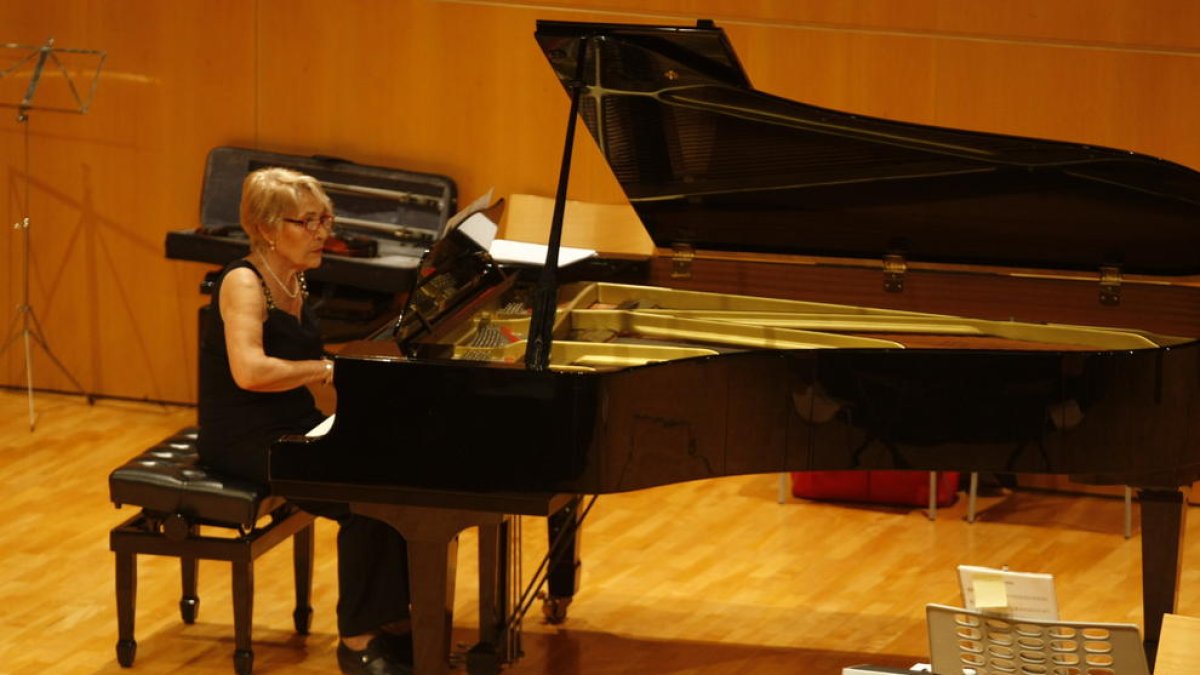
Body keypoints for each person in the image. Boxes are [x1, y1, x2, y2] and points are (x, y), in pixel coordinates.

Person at [197, 167, 412, 674]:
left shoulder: (294, 278)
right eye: (309, 222)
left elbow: (319, 378)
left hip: (294, 423)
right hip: (244, 439)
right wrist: (323, 369)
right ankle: (357, 641)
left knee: (402, 479)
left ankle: (395, 624)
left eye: (326, 219)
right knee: (361, 499)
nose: (323, 233)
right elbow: (250, 372)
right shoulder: (245, 284)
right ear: (268, 228)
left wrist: (388, 395)